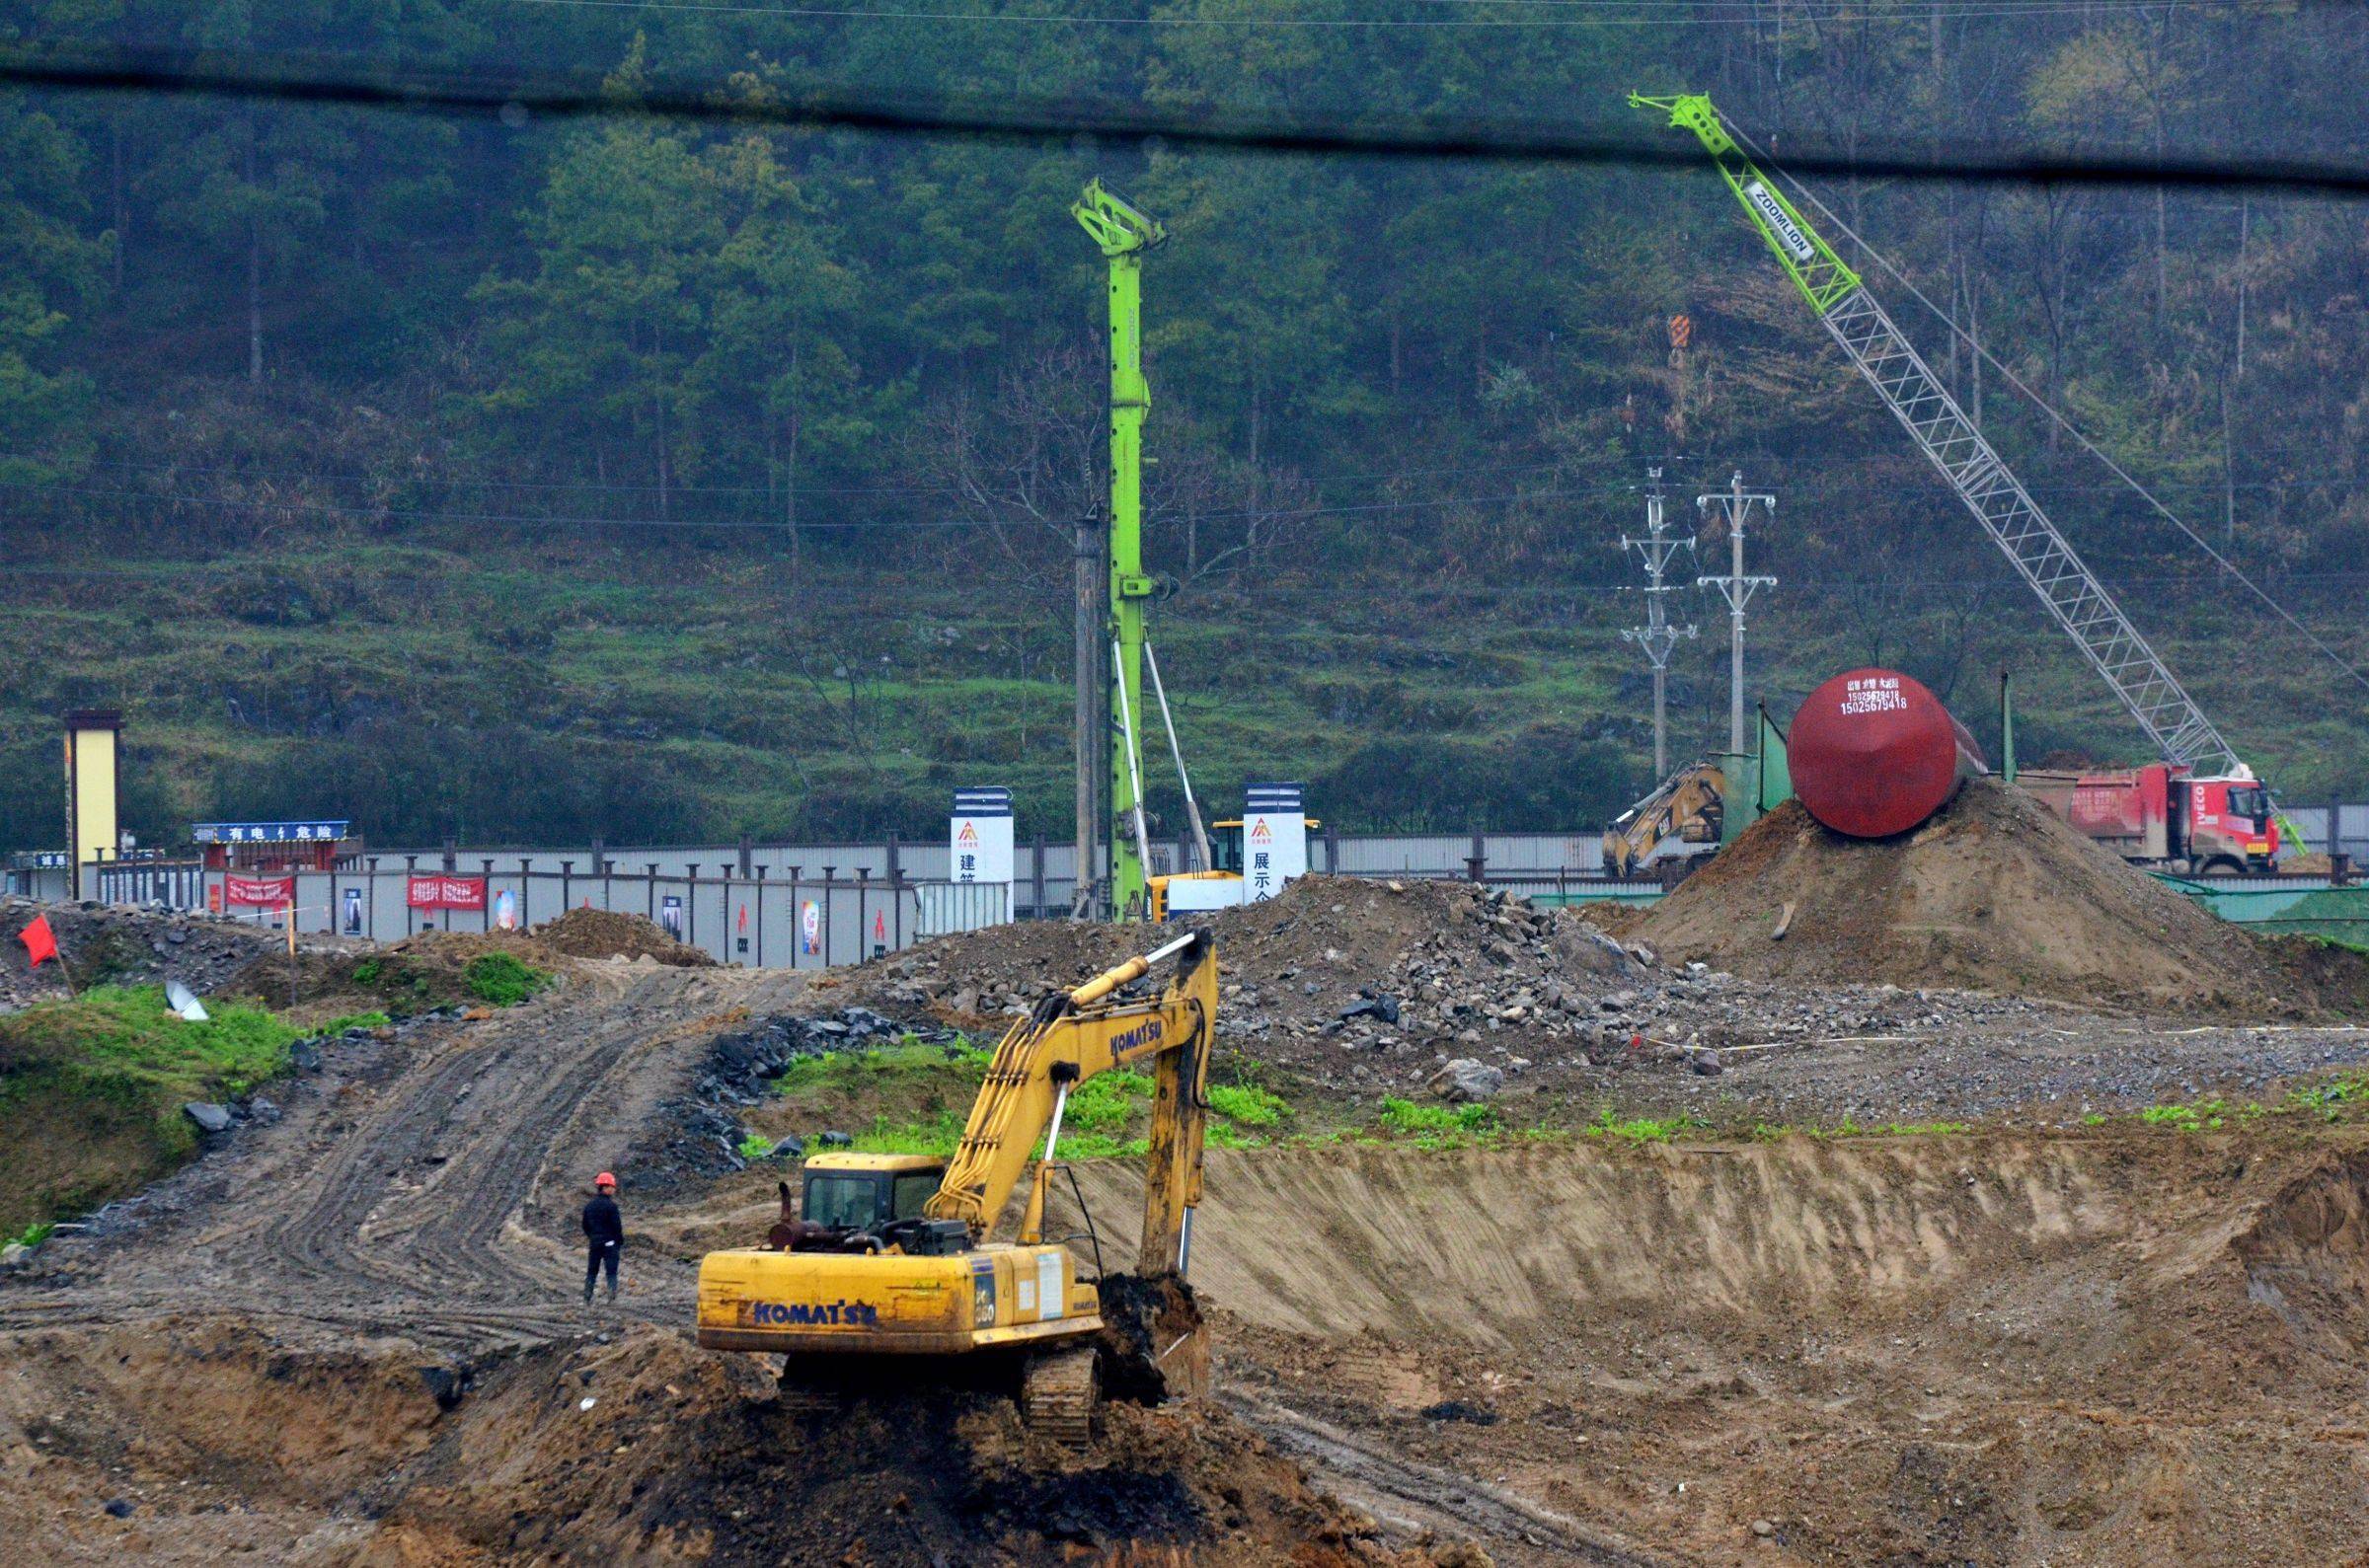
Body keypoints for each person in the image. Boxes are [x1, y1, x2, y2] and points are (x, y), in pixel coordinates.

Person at [581, 1171, 624, 1304]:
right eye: (612, 1186)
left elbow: (585, 1225)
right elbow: (617, 1226)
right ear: (605, 1187)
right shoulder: (611, 1206)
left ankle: (587, 1297)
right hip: (609, 1244)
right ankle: (611, 1296)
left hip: (595, 1243)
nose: (613, 1189)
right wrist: (619, 1241)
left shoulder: (589, 1206)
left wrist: (592, 1236)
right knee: (611, 1271)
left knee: (592, 1271)